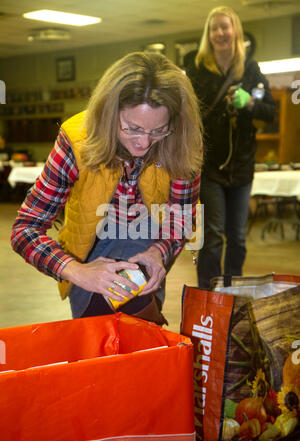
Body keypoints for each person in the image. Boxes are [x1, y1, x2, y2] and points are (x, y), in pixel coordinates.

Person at [11, 52, 203, 325]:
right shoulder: (77, 139)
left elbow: (181, 217)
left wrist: (159, 252)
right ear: (109, 114)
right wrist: (77, 270)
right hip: (90, 239)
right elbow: (24, 230)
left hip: (149, 231)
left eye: (158, 131)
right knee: (96, 324)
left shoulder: (183, 140)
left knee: (137, 318)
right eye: (132, 128)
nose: (144, 144)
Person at [184, 6, 275, 289]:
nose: (220, 33)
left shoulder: (250, 68)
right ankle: (208, 293)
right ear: (208, 35)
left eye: (225, 27)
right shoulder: (196, 67)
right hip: (209, 165)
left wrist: (249, 103)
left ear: (235, 30)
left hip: (242, 166)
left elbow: (269, 112)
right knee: (213, 234)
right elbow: (185, 109)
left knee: (237, 237)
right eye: (214, 28)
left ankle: (233, 290)